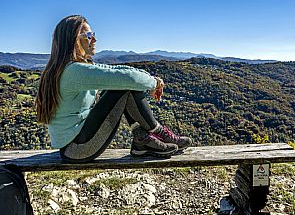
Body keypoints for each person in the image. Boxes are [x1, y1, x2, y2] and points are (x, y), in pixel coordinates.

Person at [35, 15, 191, 163]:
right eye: (88, 35)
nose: (94, 39)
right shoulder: (75, 72)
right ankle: (157, 133)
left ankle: (142, 141)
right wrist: (154, 84)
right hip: (78, 149)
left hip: (73, 146)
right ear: (75, 41)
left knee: (122, 84)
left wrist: (152, 78)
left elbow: (118, 71)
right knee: (124, 86)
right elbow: (128, 79)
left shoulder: (69, 68)